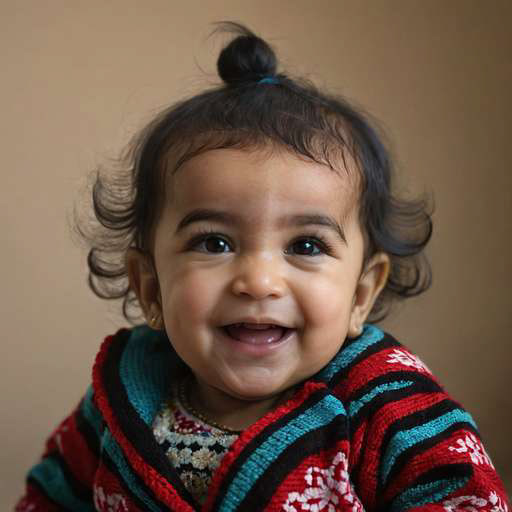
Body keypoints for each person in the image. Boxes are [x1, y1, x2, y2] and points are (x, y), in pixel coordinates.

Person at [16, 22, 509, 512]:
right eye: (214, 242)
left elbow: (471, 501)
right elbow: (49, 498)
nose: (259, 281)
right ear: (150, 288)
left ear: (362, 295)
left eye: (306, 246)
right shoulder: (120, 397)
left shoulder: (391, 405)